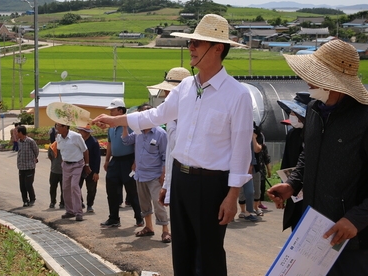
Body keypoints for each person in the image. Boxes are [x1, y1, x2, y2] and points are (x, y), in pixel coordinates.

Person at [94, 14, 253, 275]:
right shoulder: (186, 87)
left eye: (197, 43)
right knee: (182, 249)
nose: (190, 48)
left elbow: (240, 150)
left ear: (218, 48)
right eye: (190, 42)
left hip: (212, 184)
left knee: (209, 253)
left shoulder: (237, 95)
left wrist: (232, 196)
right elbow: (156, 116)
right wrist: (117, 120)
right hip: (182, 179)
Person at [268, 39, 368, 275]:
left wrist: (355, 220)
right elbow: (308, 153)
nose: (307, 81)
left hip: (354, 242)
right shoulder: (314, 110)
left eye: (314, 75)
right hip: (314, 233)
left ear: (333, 82)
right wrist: (293, 184)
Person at [122, 104, 171, 243]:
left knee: (158, 203)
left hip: (155, 175)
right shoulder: (137, 132)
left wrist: (163, 174)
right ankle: (148, 227)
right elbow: (126, 141)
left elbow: (165, 156)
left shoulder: (161, 134)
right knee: (144, 203)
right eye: (140, 115)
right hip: (140, 174)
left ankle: (166, 231)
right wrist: (125, 125)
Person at [147, 66, 191, 206]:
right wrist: (167, 185)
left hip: (192, 178)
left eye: (169, 92)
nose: (166, 95)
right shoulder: (171, 117)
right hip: (176, 177)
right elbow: (170, 153)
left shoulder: (192, 116)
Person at [99, 98, 143, 229]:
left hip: (128, 160)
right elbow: (110, 144)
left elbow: (137, 143)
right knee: (111, 190)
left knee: (132, 191)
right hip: (115, 161)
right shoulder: (111, 128)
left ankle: (139, 217)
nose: (111, 113)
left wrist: (135, 161)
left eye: (113, 110)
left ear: (120, 110)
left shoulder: (130, 125)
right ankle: (113, 218)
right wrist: (107, 160)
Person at [276, 94, 309, 231]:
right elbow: (287, 164)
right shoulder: (293, 135)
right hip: (295, 192)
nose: (291, 116)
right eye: (290, 112)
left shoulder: (319, 135)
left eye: (294, 113)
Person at [55, 123, 90, 221]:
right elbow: (60, 150)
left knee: (74, 186)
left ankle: (78, 212)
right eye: (56, 126)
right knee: (65, 188)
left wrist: (87, 165)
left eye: (59, 126)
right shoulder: (59, 137)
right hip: (66, 165)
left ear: (65, 127)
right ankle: (70, 211)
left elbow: (85, 150)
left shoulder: (76, 136)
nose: (57, 128)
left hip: (77, 164)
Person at [77, 125, 101, 213]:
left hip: (91, 169)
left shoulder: (93, 142)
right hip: (79, 167)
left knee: (91, 188)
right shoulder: (79, 140)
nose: (79, 133)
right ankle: (80, 202)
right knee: (76, 186)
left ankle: (90, 205)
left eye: (81, 131)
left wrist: (96, 172)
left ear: (86, 132)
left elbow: (97, 158)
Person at [16, 125, 39, 207]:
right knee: (22, 185)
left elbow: (36, 150)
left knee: (28, 184)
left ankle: (32, 198)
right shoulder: (19, 141)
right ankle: (25, 200)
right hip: (21, 167)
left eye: (17, 132)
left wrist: (34, 158)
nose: (16, 134)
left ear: (21, 132)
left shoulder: (30, 141)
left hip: (29, 167)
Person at [47, 135, 64, 209]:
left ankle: (62, 203)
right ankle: (52, 202)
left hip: (64, 171)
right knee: (53, 187)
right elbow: (50, 157)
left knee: (64, 188)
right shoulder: (52, 147)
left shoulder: (65, 146)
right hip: (54, 170)